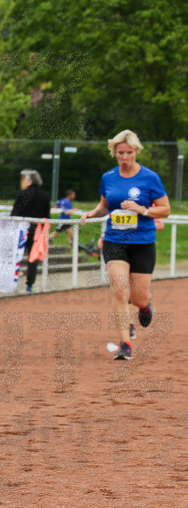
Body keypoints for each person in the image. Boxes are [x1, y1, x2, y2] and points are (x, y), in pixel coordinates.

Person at [80, 130, 169, 360]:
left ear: (136, 151)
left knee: (137, 297)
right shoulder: (108, 177)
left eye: (129, 153)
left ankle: (146, 305)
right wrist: (92, 213)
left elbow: (165, 209)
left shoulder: (150, 178)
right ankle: (125, 344)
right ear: (114, 153)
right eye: (120, 153)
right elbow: (104, 206)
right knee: (119, 290)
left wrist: (143, 210)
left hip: (142, 242)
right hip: (115, 241)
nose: (125, 157)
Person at [11, 170, 51, 293]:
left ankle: (12, 284)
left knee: (15, 256)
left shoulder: (22, 194)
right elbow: (47, 216)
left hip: (21, 230)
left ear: (30, 181)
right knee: (32, 258)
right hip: (36, 230)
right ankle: (30, 285)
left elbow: (14, 214)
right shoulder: (44, 196)